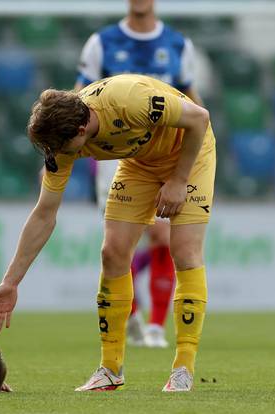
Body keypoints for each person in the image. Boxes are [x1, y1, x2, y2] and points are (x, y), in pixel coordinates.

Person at [0, 74, 215, 392]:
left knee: (184, 251)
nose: (56, 153)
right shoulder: (61, 143)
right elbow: (44, 214)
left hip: (189, 156)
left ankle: (183, 368)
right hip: (140, 164)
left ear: (81, 131)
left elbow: (200, 118)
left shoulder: (131, 100)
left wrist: (178, 179)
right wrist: (11, 282)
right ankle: (110, 369)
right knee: (112, 252)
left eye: (60, 147)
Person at [75, 0, 204, 348]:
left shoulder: (179, 44)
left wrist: (204, 145)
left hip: (165, 148)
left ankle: (157, 327)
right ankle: (130, 314)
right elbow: (78, 100)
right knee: (119, 246)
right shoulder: (102, 42)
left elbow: (191, 98)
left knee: (162, 235)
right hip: (114, 156)